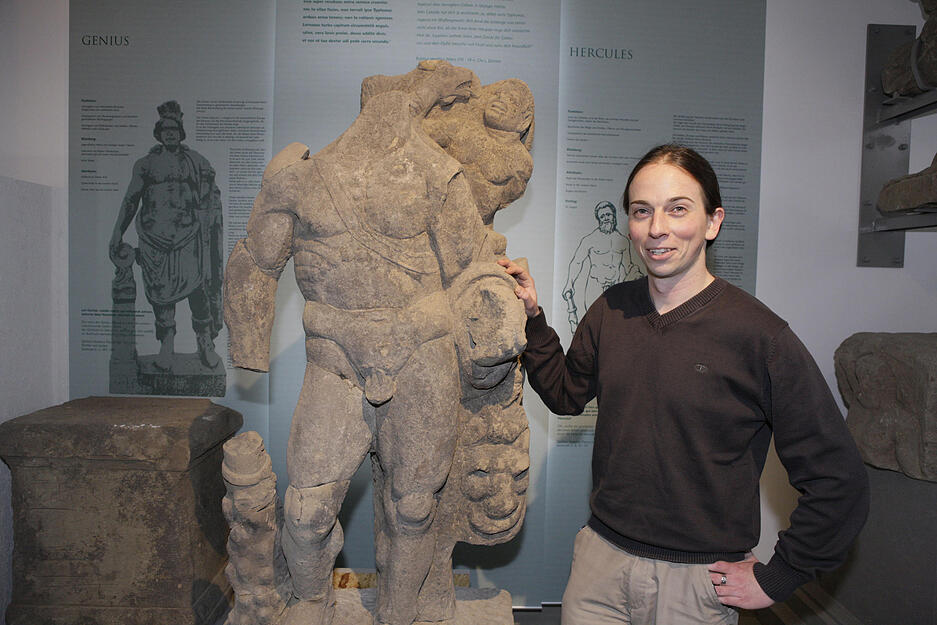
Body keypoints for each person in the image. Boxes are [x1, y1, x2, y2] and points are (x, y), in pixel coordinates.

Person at [500, 144, 869, 624]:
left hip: (696, 585)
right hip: (600, 564)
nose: (657, 228)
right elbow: (567, 393)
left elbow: (839, 479)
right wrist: (533, 319)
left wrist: (779, 577)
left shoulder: (759, 337)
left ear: (713, 222)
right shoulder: (612, 310)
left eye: (677, 209)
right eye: (642, 211)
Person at [224, 61, 528, 625]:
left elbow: (470, 266)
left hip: (421, 353)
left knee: (415, 506)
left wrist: (499, 308)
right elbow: (255, 265)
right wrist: (249, 348)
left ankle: (399, 609)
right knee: (308, 509)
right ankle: (313, 597)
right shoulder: (297, 178)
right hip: (336, 359)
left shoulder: (440, 175)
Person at [109, 100, 224, 371]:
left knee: (198, 291)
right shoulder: (145, 165)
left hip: (189, 236)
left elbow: (210, 201)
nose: (170, 133)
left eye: (174, 129)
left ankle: (204, 342)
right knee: (161, 296)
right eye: (165, 129)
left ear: (181, 132)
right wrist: (117, 233)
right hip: (154, 239)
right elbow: (130, 200)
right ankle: (167, 346)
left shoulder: (197, 162)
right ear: (158, 133)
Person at [562, 200, 644, 333]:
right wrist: (569, 284)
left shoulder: (623, 241)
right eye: (602, 216)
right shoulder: (589, 240)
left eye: (608, 215)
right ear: (598, 219)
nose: (606, 218)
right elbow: (577, 262)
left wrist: (636, 273)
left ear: (614, 216)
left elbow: (628, 265)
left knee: (613, 328)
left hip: (615, 288)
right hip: (594, 287)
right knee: (593, 326)